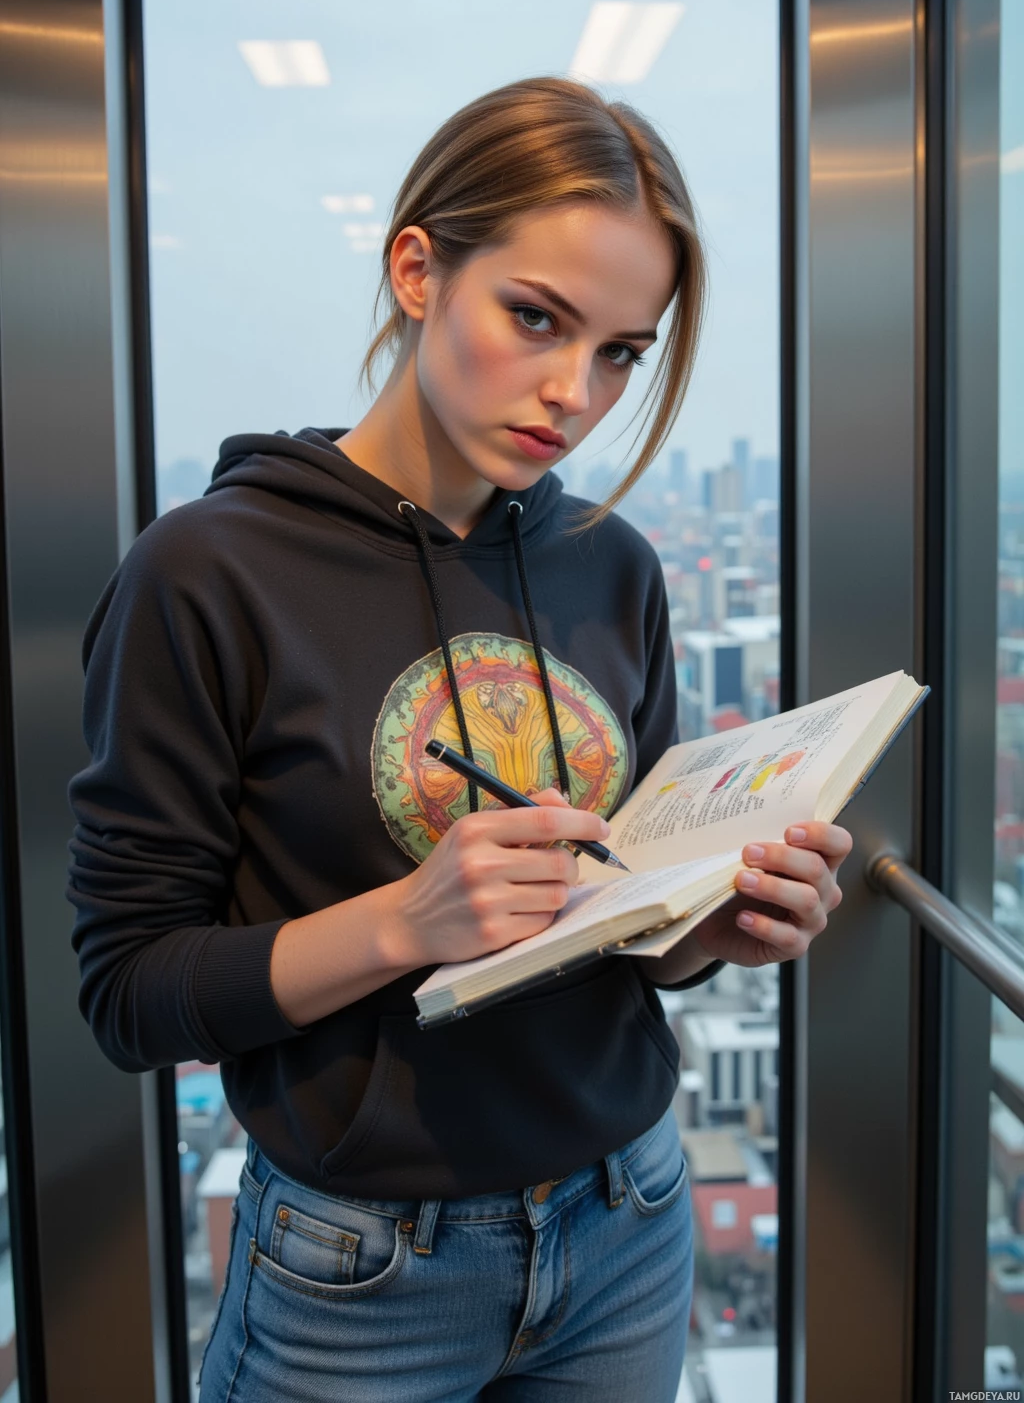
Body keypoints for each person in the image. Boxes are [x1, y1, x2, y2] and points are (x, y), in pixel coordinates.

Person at [67, 77, 849, 1402]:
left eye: (619, 352)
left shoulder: (616, 568)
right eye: (535, 317)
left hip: (632, 1216)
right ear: (419, 269)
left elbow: (620, 918)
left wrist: (705, 932)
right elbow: (129, 992)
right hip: (359, 1270)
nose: (572, 391)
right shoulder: (206, 572)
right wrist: (406, 923)